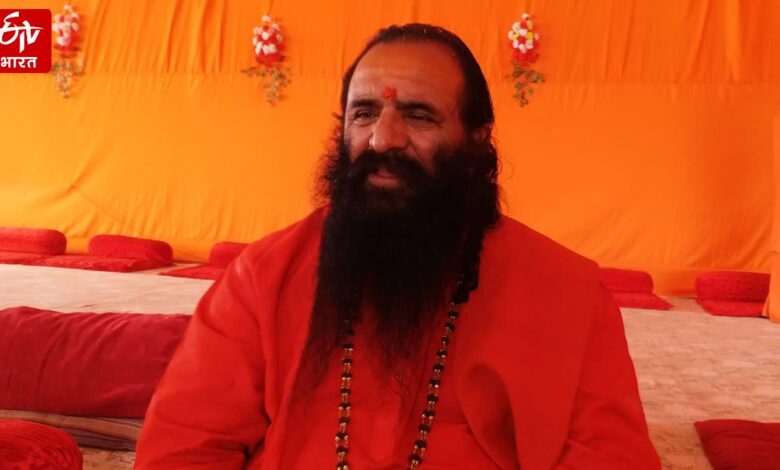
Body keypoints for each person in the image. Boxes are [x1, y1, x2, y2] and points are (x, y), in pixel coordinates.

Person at [134, 23, 660, 469]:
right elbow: (182, 448)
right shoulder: (264, 276)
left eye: (419, 115)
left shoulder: (568, 295)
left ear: (477, 139)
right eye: (363, 113)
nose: (383, 139)